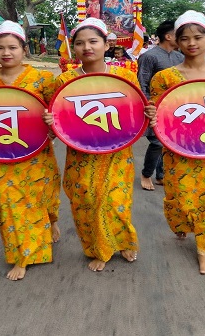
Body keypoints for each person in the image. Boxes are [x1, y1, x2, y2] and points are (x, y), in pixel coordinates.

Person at [44, 17, 156, 272]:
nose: (87, 47)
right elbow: (60, 121)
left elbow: (134, 112)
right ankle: (97, 247)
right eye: (80, 43)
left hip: (116, 152)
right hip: (81, 154)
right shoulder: (64, 82)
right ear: (74, 48)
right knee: (87, 201)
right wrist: (51, 121)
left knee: (116, 201)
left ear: (106, 45)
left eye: (93, 41)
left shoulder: (125, 76)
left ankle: (124, 242)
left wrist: (149, 114)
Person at [149, 11, 205, 275]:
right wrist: (152, 114)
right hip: (179, 148)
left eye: (198, 37)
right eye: (185, 38)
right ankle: (183, 222)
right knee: (183, 198)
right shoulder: (164, 78)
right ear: (176, 41)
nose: (192, 43)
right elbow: (160, 114)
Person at [0, 21, 61, 281]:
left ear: (24, 49)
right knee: (9, 202)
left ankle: (52, 221)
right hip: (0, 153)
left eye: (12, 47)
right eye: (0, 48)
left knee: (40, 196)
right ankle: (23, 254)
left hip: (35, 150)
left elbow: (58, 114)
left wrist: (51, 124)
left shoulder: (43, 78)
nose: (6, 53)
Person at [136, 20, 184, 191]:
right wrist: (147, 107)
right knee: (157, 142)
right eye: (179, 33)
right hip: (154, 109)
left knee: (168, 141)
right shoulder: (149, 56)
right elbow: (142, 83)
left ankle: (161, 175)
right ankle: (146, 173)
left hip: (175, 109)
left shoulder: (181, 57)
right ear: (168, 36)